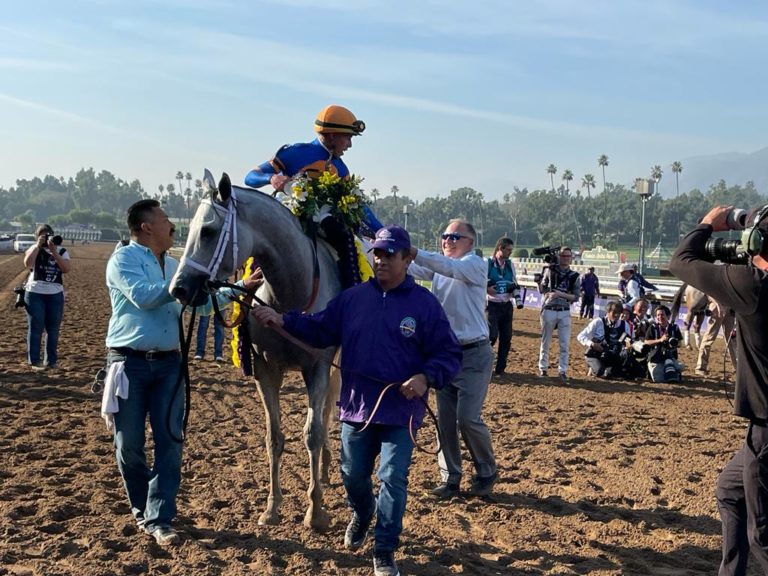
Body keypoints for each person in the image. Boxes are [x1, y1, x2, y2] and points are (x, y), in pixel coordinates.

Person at [251, 225, 461, 576]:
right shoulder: (353, 299)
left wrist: (426, 377)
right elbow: (320, 327)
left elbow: (448, 352)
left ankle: (384, 549)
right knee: (352, 476)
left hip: (400, 411)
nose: (381, 260)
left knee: (392, 478)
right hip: (356, 409)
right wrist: (281, 320)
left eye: (389, 254)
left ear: (408, 258)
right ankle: (363, 513)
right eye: (377, 253)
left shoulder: (425, 306)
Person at [669, 204, 768, 575]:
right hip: (760, 431)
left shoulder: (750, 286)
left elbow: (682, 261)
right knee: (730, 492)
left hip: (766, 425)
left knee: (762, 534)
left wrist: (708, 224)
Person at [104, 199, 185, 546]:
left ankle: (160, 516)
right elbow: (143, 297)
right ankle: (143, 508)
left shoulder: (176, 264)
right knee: (129, 444)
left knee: (170, 441)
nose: (171, 224)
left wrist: (235, 292)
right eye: (165, 218)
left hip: (170, 364)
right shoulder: (123, 259)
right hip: (129, 364)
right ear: (146, 226)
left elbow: (198, 302)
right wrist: (185, 284)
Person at [408, 219, 498, 499]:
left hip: (474, 354)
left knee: (467, 418)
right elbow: (408, 266)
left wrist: (411, 250)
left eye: (454, 237)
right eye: (445, 236)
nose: (447, 240)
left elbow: (441, 265)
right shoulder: (442, 268)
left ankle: (487, 469)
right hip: (445, 355)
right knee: (445, 422)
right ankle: (450, 477)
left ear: (471, 242)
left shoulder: (474, 264)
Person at [244, 104, 382, 288]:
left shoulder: (341, 169)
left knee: (345, 236)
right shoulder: (295, 153)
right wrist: (271, 178)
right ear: (332, 134)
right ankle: (247, 298)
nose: (350, 145)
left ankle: (351, 295)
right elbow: (250, 177)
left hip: (323, 223)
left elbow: (359, 207)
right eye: (348, 137)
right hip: (287, 217)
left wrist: (382, 232)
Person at [23, 224, 71, 371]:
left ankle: (51, 361)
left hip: (55, 294)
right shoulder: (33, 248)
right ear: (37, 237)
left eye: (48, 235)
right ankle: (34, 361)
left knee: (53, 329)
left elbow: (66, 269)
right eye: (42, 235)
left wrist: (54, 252)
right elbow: (28, 264)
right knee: (36, 326)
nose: (46, 237)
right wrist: (38, 246)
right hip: (35, 292)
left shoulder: (61, 251)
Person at [537, 246, 580, 383]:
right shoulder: (550, 271)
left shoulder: (575, 276)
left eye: (568, 256)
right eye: (563, 256)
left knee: (564, 343)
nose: (565, 258)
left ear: (571, 258)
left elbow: (576, 297)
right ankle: (543, 368)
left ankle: (562, 370)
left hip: (564, 311)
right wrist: (538, 282)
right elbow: (542, 289)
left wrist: (560, 294)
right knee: (546, 341)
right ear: (559, 257)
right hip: (549, 308)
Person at [485, 237, 522, 376]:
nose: (510, 253)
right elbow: (478, 282)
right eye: (508, 250)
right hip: (491, 304)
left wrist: (514, 290)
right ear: (500, 247)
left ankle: (500, 369)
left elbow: (514, 282)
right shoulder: (487, 263)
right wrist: (486, 289)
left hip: (506, 305)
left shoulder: (509, 265)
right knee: (492, 336)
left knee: (506, 338)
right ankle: (486, 365)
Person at [577, 301, 631, 378]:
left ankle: (609, 369)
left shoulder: (624, 324)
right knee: (599, 371)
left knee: (618, 372)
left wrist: (628, 345)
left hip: (613, 354)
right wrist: (592, 344)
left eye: (619, 313)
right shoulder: (598, 322)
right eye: (614, 312)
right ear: (608, 312)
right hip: (596, 354)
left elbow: (628, 341)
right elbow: (581, 336)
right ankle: (592, 366)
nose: (616, 315)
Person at [641, 304, 684, 383]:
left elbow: (680, 343)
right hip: (656, 357)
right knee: (659, 379)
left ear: (668, 316)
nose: (660, 317)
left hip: (670, 356)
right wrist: (660, 340)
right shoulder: (653, 327)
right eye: (658, 315)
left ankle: (671, 370)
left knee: (680, 367)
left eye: (662, 315)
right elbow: (646, 342)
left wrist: (674, 343)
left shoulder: (674, 327)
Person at [695, 298, 737, 376]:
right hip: (717, 306)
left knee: (732, 339)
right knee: (709, 338)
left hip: (729, 306)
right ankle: (700, 367)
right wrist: (717, 304)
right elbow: (710, 291)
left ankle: (737, 367)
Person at [193, 296, 226, 362]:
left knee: (219, 327)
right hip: (207, 299)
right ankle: (199, 352)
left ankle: (218, 354)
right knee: (203, 325)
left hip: (221, 298)